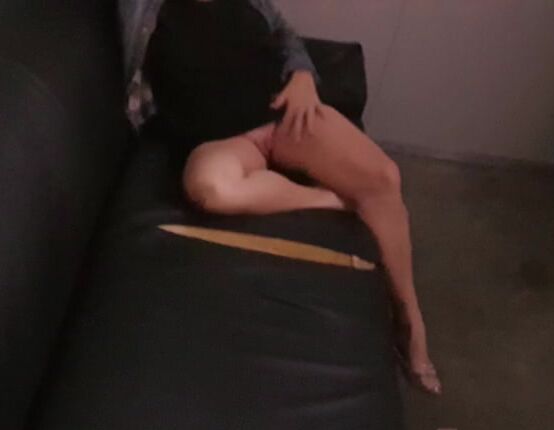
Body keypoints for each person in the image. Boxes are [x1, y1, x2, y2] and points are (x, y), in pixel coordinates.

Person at [120, 0, 441, 394]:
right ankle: (331, 200)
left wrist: (303, 75)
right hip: (221, 142)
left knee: (384, 178)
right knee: (211, 188)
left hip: (284, 118)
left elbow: (284, 34)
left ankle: (411, 321)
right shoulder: (143, 8)